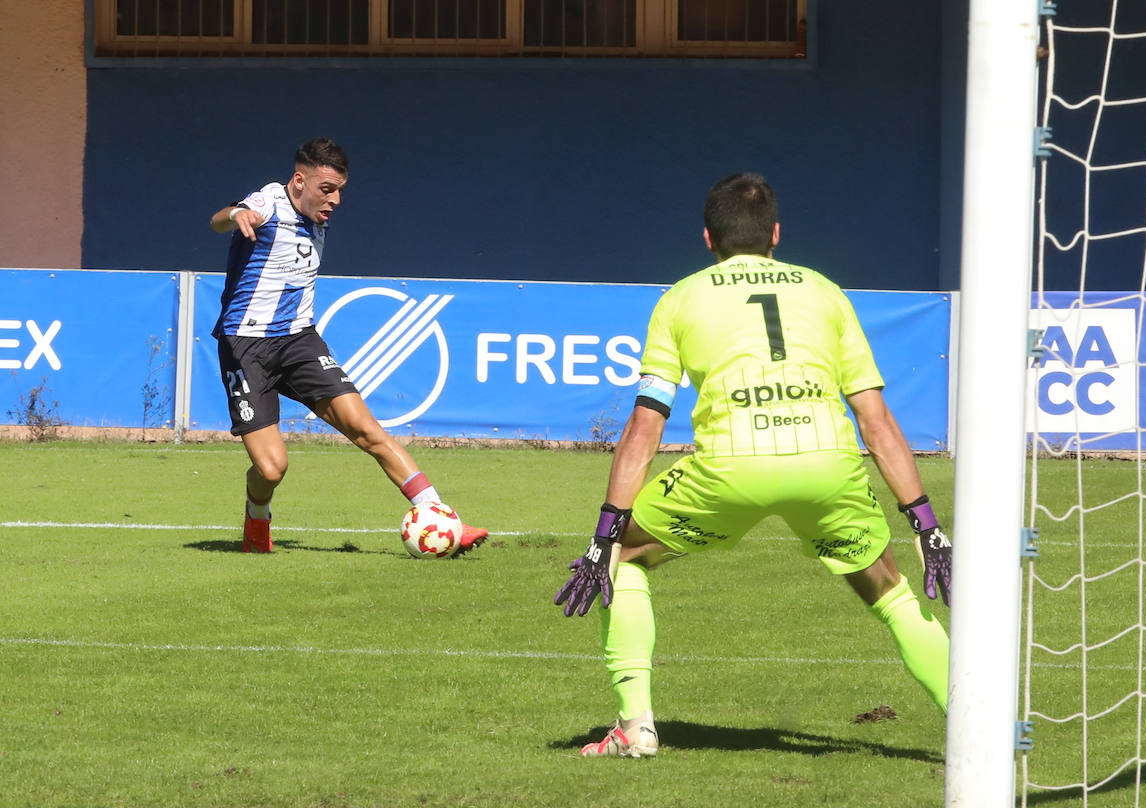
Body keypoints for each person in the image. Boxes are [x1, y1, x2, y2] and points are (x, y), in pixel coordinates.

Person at [555, 172, 953, 758]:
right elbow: (876, 420)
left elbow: (646, 425)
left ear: (708, 239)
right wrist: (925, 522)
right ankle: (979, 730)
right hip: (827, 464)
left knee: (628, 557)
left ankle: (635, 727)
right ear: (775, 233)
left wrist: (605, 536)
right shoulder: (824, 291)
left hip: (731, 469)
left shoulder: (680, 299)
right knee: (891, 592)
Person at [210, 137, 487, 555]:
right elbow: (219, 220)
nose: (336, 200)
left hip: (298, 339)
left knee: (367, 430)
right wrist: (236, 214)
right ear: (298, 181)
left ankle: (441, 515)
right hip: (245, 346)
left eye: (340, 190)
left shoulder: (316, 212)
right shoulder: (268, 200)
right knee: (271, 468)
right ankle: (257, 516)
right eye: (327, 189)